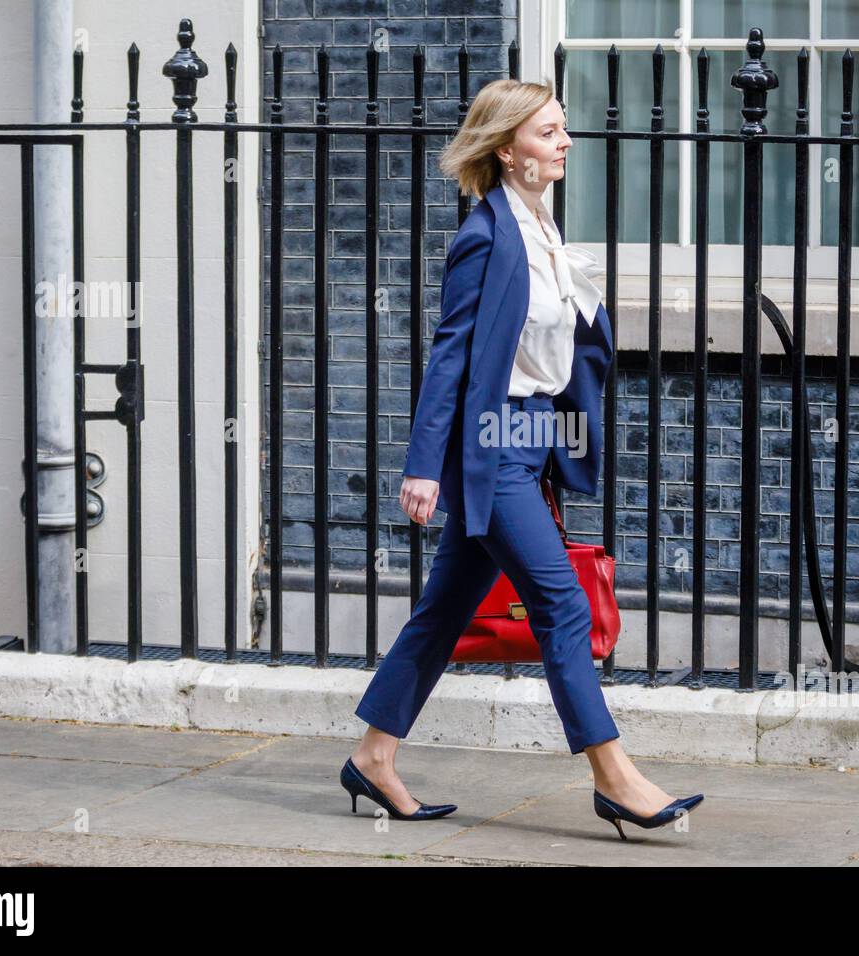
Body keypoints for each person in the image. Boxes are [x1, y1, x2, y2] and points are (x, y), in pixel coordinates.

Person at [340, 79, 703, 839]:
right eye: (547, 132)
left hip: (529, 442)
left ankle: (373, 756)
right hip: (491, 448)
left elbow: (563, 349)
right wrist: (423, 465)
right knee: (562, 604)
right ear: (508, 150)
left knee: (444, 612)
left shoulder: (542, 228)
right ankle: (614, 777)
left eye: (563, 129)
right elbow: (453, 354)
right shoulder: (488, 234)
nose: (564, 142)